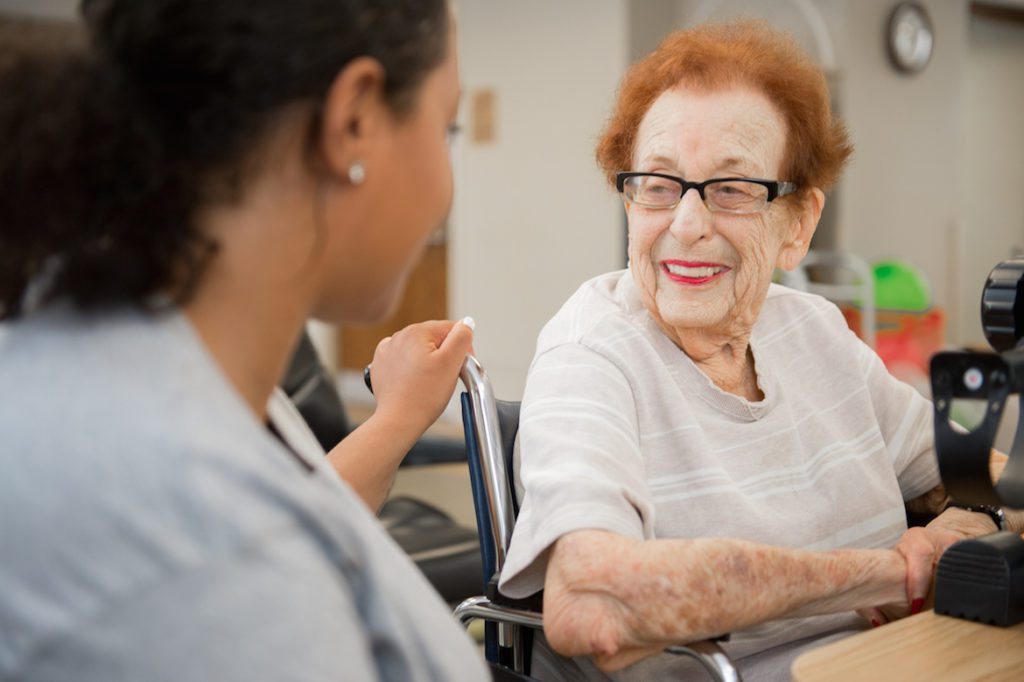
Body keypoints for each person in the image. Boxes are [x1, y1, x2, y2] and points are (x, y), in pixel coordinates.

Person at [499, 21, 1024, 681]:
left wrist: (971, 519)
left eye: (733, 189)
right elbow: (592, 601)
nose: (687, 225)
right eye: (658, 185)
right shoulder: (592, 352)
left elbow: (980, 475)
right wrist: (889, 573)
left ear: (797, 224)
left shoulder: (813, 330)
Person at [0, 1, 488, 680]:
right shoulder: (197, 545)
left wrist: (398, 417)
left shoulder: (126, 345)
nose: (445, 186)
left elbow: (290, 513)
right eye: (447, 126)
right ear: (354, 120)